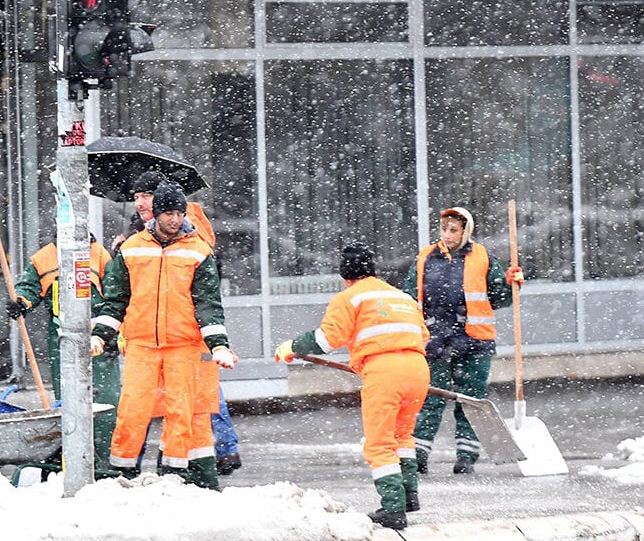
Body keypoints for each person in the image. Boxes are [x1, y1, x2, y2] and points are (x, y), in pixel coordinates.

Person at [91, 181, 238, 490]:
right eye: (169, 213)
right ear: (156, 214)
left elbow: (208, 305)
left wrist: (220, 346)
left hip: (182, 347)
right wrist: (101, 335)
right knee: (132, 410)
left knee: (180, 412)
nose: (174, 219)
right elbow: (116, 299)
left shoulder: (198, 252)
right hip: (142, 345)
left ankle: (174, 474)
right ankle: (120, 474)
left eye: (179, 212)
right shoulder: (131, 249)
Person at [273, 243, 430, 530]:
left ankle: (393, 509)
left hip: (384, 373)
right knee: (402, 436)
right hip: (418, 369)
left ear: (345, 276)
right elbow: (423, 335)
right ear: (374, 270)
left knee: (380, 443)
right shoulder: (401, 296)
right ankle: (409, 495)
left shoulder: (349, 298)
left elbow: (326, 340)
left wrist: (292, 347)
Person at [402, 207, 522, 475]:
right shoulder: (425, 258)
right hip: (434, 343)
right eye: (444, 229)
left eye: (453, 229)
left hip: (473, 343)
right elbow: (409, 297)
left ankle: (467, 456)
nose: (448, 234)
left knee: (470, 400)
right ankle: (418, 454)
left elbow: (499, 298)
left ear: (465, 231)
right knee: (429, 398)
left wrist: (511, 284)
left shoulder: (483, 258)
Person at [7, 233, 121, 480]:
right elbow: (30, 287)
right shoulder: (44, 258)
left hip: (99, 339)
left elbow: (116, 296)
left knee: (105, 405)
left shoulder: (99, 255)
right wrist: (21, 301)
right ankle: (74, 463)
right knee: (69, 404)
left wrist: (112, 332)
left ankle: (105, 466)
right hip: (62, 339)